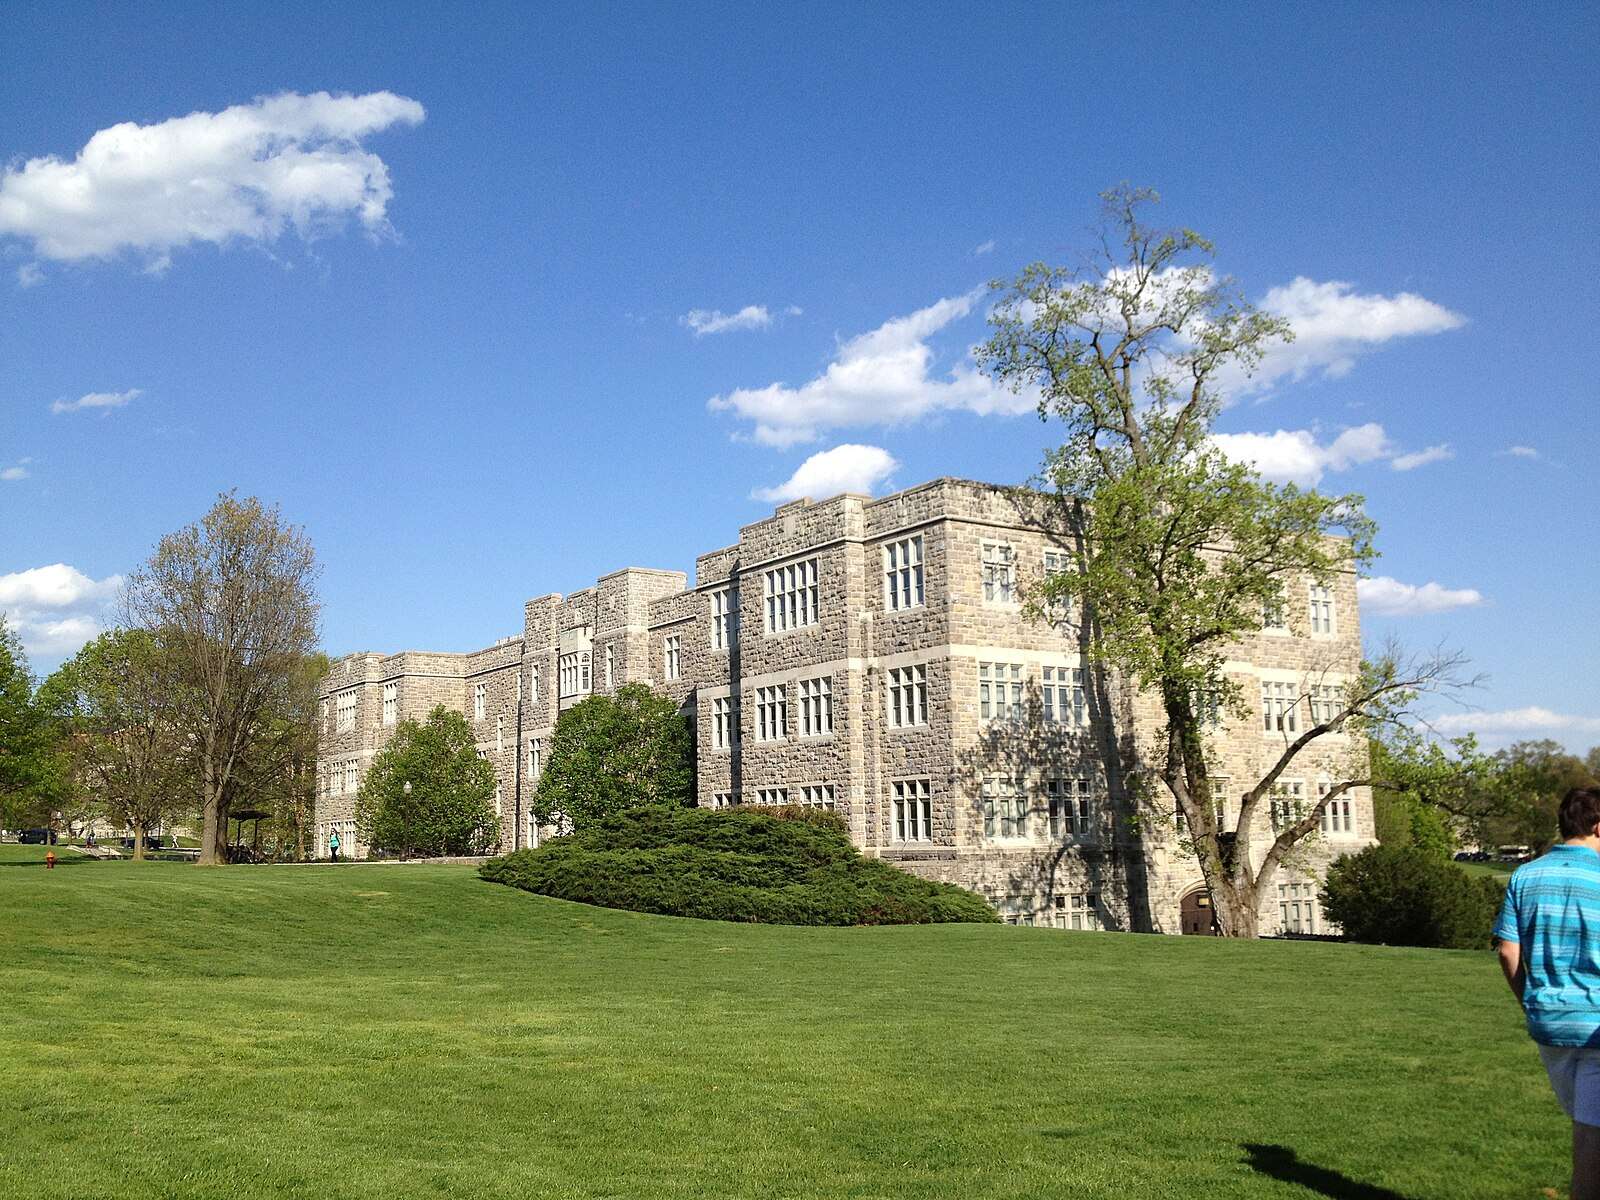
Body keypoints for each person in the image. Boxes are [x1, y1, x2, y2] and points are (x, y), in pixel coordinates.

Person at [1496, 785, 1600, 1200]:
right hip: (1595, 1023)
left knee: (1585, 1123)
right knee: (1591, 1140)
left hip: (1548, 1023)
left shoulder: (1526, 874)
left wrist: (1529, 999)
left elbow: (1507, 950)